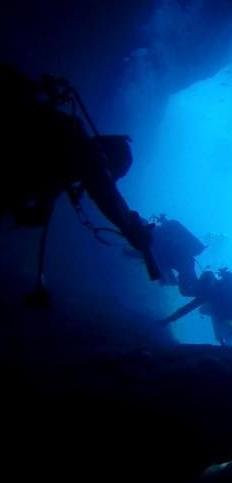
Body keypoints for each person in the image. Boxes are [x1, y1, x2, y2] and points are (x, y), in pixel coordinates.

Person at [1, 65, 159, 304]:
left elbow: (43, 189)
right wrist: (130, 229)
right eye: (113, 174)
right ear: (108, 160)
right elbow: (106, 195)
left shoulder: (67, 147)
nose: (110, 179)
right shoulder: (85, 151)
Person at [149, 214, 206, 297]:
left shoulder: (166, 228)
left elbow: (157, 255)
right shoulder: (171, 225)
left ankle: (203, 290)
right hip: (181, 260)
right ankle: (203, 290)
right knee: (186, 287)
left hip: (181, 259)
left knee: (186, 288)